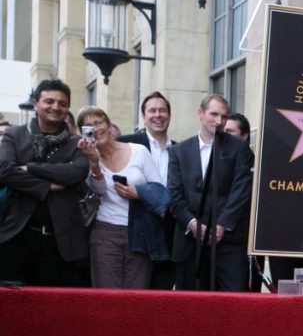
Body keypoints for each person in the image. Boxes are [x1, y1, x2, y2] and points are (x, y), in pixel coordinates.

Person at [0, 79, 90, 285]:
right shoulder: (15, 135)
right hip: (16, 234)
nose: (55, 107)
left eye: (62, 103)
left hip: (61, 241)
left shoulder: (77, 142)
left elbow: (77, 172)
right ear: (36, 104)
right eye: (49, 101)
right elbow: (4, 170)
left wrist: (30, 167)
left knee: (54, 308)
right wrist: (46, 187)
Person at [167, 94, 254, 291]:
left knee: (233, 305)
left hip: (229, 244)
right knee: (191, 308)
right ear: (200, 113)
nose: (219, 121)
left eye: (224, 116)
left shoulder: (240, 148)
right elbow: (174, 193)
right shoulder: (178, 151)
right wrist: (192, 223)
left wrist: (223, 224)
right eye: (214, 114)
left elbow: (241, 191)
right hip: (190, 244)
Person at [77, 106, 167, 288]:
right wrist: (94, 162)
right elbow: (99, 190)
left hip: (139, 231)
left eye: (98, 122)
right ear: (82, 133)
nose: (95, 128)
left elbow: (160, 191)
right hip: (105, 231)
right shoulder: (85, 157)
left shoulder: (138, 151)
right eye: (88, 126)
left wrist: (138, 192)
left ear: (109, 125)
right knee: (107, 297)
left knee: (136, 296)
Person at [119, 91, 176, 289]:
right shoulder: (126, 144)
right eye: (152, 110)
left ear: (169, 115)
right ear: (143, 117)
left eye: (162, 110)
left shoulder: (180, 150)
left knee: (162, 296)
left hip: (168, 234)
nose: (157, 115)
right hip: (135, 233)